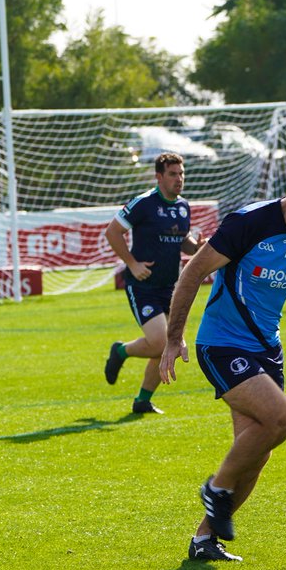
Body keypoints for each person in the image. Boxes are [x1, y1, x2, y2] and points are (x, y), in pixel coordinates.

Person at [160, 155, 286, 562]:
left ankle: (204, 539)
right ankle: (216, 489)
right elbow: (192, 273)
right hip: (222, 343)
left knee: (257, 454)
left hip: (267, 348)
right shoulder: (248, 222)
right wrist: (174, 339)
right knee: (283, 419)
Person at [103, 153, 205, 414]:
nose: (179, 179)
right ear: (159, 177)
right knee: (161, 342)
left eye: (181, 173)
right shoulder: (144, 203)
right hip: (143, 286)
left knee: (167, 345)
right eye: (173, 174)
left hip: (171, 288)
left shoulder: (183, 206)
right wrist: (132, 263)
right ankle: (121, 351)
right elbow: (113, 232)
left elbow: (183, 241)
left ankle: (142, 401)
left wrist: (196, 247)